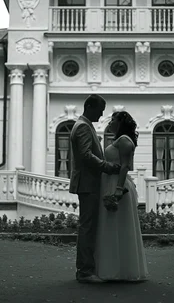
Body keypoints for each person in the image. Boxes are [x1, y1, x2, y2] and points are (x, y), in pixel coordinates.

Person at [69, 94, 121, 283]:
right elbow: (85, 155)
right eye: (99, 110)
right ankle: (85, 272)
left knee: (88, 226)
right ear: (89, 106)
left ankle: (86, 269)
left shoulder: (84, 124)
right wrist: (107, 166)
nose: (101, 115)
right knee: (88, 228)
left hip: (89, 182)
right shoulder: (83, 126)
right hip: (88, 183)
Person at [94, 110, 149, 282]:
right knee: (110, 226)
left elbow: (125, 166)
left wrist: (118, 189)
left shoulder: (125, 141)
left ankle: (121, 270)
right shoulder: (118, 140)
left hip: (117, 184)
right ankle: (111, 268)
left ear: (120, 122)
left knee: (118, 226)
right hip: (109, 181)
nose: (109, 123)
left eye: (113, 120)